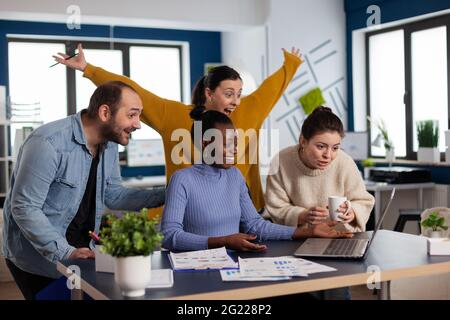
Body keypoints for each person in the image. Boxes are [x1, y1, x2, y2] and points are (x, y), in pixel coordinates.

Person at [53, 44, 303, 212]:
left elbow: (271, 89)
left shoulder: (248, 110)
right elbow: (132, 91)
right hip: (187, 216)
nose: (236, 101)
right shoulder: (174, 116)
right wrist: (89, 69)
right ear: (209, 93)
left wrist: (290, 65)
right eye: (229, 94)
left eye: (239, 94)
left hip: (239, 213)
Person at [2, 81, 165, 300]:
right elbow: (24, 207)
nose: (137, 125)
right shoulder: (48, 143)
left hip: (81, 253)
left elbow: (113, 194)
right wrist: (66, 252)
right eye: (132, 115)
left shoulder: (109, 144)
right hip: (39, 259)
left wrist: (166, 194)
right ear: (105, 112)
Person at [160, 110, 352, 252]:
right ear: (205, 143)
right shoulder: (182, 180)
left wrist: (309, 231)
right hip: (196, 269)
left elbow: (255, 225)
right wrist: (224, 241)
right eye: (227, 143)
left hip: (234, 265)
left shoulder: (234, 176)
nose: (235, 149)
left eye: (235, 142)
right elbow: (169, 236)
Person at [264, 106, 375, 232]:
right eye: (321, 146)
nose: (328, 155)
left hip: (341, 237)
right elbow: (276, 206)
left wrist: (352, 212)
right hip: (300, 238)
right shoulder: (281, 161)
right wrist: (303, 215)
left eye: (335, 148)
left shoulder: (345, 162)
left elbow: (364, 201)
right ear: (303, 141)